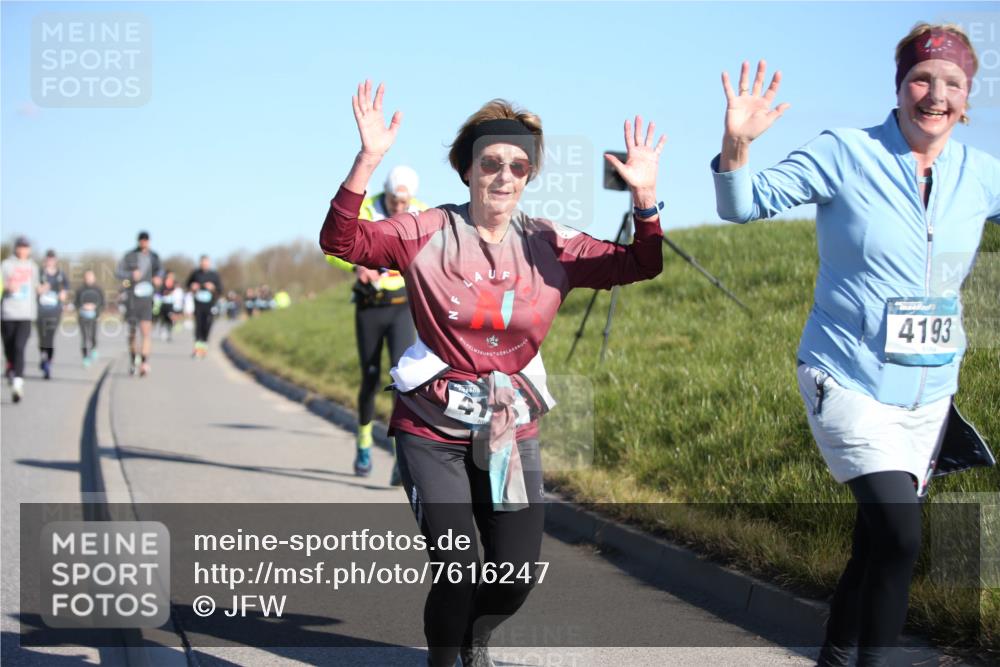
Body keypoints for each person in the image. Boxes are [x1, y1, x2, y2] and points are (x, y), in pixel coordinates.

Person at [320, 80, 665, 667]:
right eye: (490, 162)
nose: (504, 175)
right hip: (432, 430)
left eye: (518, 165)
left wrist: (645, 199)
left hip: (508, 429)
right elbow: (342, 239)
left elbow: (642, 262)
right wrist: (367, 161)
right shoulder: (425, 231)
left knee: (516, 575)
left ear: (529, 176)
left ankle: (474, 634)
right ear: (467, 169)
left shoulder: (550, 243)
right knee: (457, 571)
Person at [710, 24, 998, 667]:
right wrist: (737, 144)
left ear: (967, 97)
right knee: (901, 536)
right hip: (846, 375)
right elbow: (744, 204)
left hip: (929, 390)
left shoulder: (980, 174)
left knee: (875, 544)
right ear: (898, 86)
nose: (936, 94)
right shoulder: (847, 152)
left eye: (952, 84)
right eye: (922, 78)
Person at [326, 165, 428, 482]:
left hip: (402, 306)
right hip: (371, 306)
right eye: (395, 202)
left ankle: (401, 456)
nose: (400, 208)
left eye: (405, 202)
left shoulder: (422, 213)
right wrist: (357, 266)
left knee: (403, 380)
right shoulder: (368, 209)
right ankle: (364, 442)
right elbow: (333, 248)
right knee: (370, 379)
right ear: (386, 192)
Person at [117, 231, 162, 376]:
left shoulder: (154, 257)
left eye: (146, 240)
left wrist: (158, 278)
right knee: (132, 333)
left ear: (149, 242)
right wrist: (130, 276)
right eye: (141, 240)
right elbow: (118, 273)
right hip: (131, 299)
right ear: (138, 241)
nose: (144, 243)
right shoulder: (129, 256)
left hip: (147, 299)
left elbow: (160, 271)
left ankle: (144, 362)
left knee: (146, 331)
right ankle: (132, 360)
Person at [2, 237, 39, 402]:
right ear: (16, 248)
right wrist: (7, 287)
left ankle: (18, 382)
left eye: (26, 247)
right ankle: (11, 368)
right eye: (21, 247)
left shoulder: (33, 267)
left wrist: (42, 289)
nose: (23, 250)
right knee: (9, 348)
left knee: (19, 347)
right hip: (8, 313)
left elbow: (37, 286)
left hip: (26, 314)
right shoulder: (6, 265)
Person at [36, 249, 70, 380]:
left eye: (52, 259)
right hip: (40, 310)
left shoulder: (60, 274)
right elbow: (33, 287)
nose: (50, 261)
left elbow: (66, 286)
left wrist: (64, 293)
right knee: (42, 336)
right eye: (48, 259)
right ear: (45, 260)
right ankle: (43, 355)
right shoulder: (39, 273)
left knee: (50, 336)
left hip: (55, 310)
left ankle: (47, 362)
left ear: (55, 261)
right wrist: (39, 289)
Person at [186, 255, 223, 358]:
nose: (204, 264)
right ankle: (198, 349)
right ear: (200, 263)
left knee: (207, 325)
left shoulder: (214, 275)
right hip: (198, 304)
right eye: (203, 262)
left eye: (206, 263)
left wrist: (213, 288)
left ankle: (204, 346)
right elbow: (188, 284)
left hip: (210, 305)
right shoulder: (195, 274)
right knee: (198, 325)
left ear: (209, 263)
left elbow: (220, 289)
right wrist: (192, 287)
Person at [74, 269, 105, 367]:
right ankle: (85, 358)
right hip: (83, 316)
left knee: (92, 336)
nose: (88, 279)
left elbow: (102, 303)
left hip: (94, 316)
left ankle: (94, 348)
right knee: (84, 338)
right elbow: (76, 303)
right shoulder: (80, 290)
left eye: (90, 276)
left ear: (94, 278)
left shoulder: (98, 289)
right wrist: (83, 306)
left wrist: (95, 308)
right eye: (87, 277)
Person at [155, 271, 182, 342]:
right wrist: (166, 293)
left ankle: (169, 333)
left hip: (170, 304)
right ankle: (162, 330)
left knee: (170, 318)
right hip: (163, 303)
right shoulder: (163, 283)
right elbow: (160, 292)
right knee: (163, 319)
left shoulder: (174, 284)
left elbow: (176, 292)